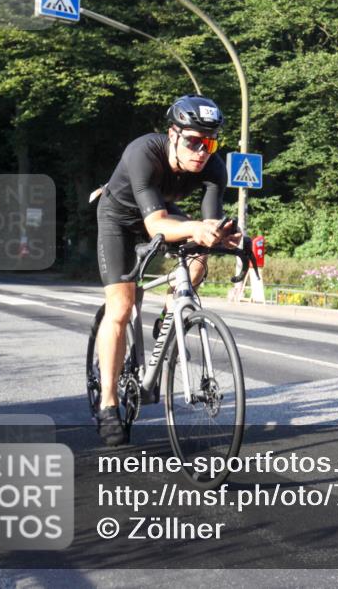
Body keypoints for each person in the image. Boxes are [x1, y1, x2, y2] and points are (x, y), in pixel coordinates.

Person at [92, 94, 241, 446]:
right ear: (173, 135)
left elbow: (208, 221)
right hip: (120, 219)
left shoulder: (213, 167)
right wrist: (197, 230)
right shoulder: (143, 151)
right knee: (122, 307)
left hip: (162, 214)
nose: (202, 151)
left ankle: (170, 314)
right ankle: (108, 403)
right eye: (193, 141)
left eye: (210, 142)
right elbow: (156, 222)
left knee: (199, 256)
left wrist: (223, 235)